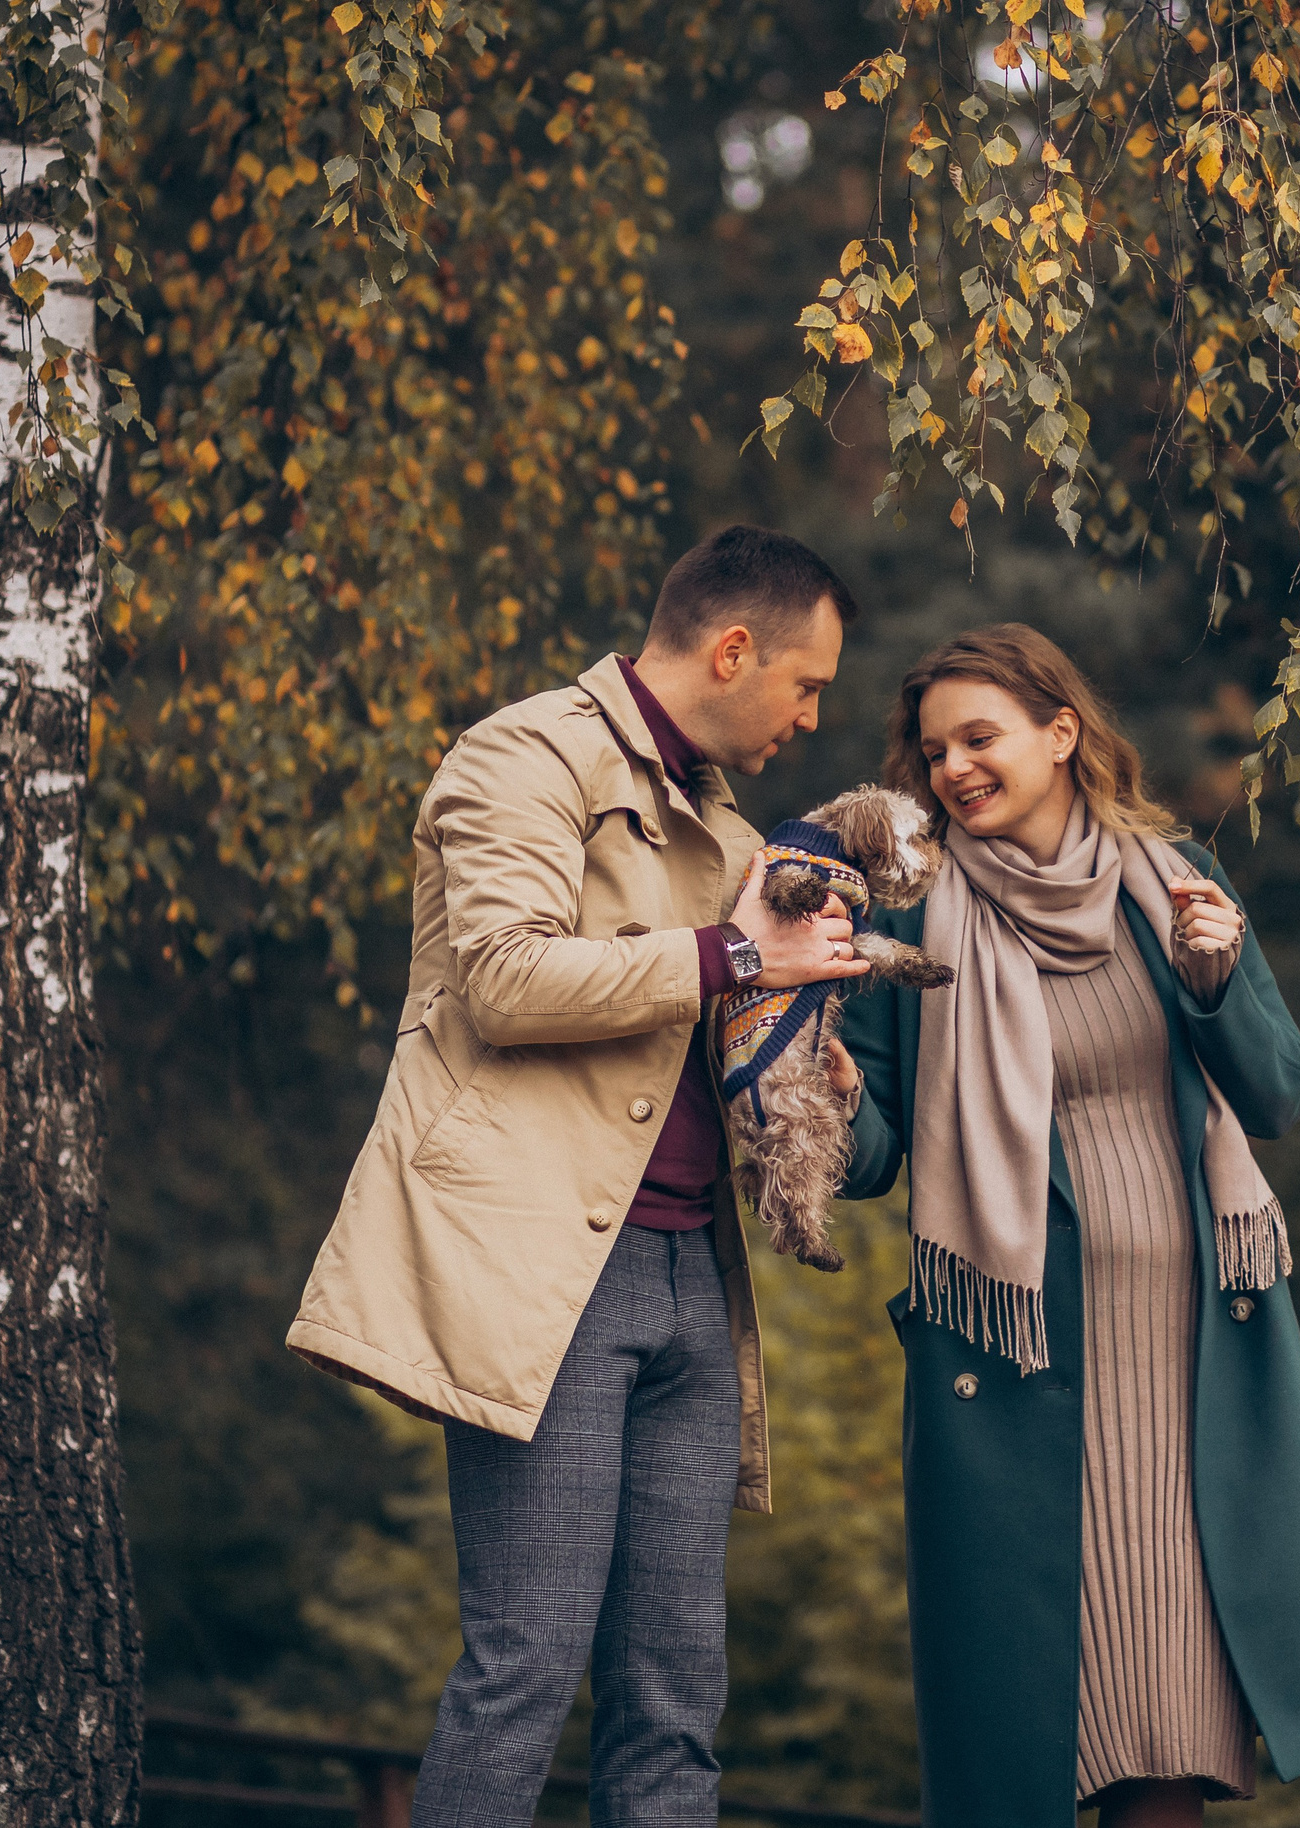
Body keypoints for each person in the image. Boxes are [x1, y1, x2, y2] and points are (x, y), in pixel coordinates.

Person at [286, 525, 872, 1828]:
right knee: (525, 1669)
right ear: (733, 650)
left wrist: (809, 1071)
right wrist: (735, 959)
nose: (809, 714)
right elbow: (506, 982)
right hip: (549, 1274)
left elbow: (713, 1032)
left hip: (691, 1284)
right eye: (806, 683)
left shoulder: (723, 834)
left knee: (675, 1695)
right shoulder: (521, 757)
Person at [835, 625, 1300, 1828]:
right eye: (933, 752)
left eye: (978, 739)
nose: (953, 770)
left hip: (1192, 1352)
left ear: (1060, 731)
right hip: (1020, 1360)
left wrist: (1212, 985)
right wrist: (822, 1080)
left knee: (1167, 1739)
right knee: (1038, 1730)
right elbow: (871, 1161)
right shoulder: (914, 912)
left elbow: (1278, 1095)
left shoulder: (1169, 874)